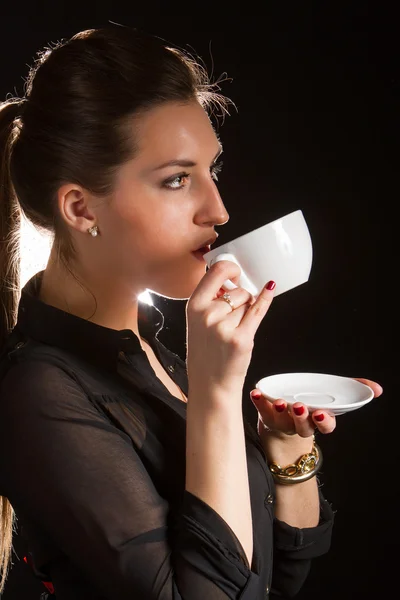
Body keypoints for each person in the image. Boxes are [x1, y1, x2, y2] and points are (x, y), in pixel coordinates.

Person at [0, 24, 382, 600]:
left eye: (213, 170)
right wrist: (216, 395)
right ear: (80, 208)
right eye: (177, 179)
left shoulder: (153, 348)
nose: (219, 210)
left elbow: (274, 578)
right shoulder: (37, 392)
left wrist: (287, 452)